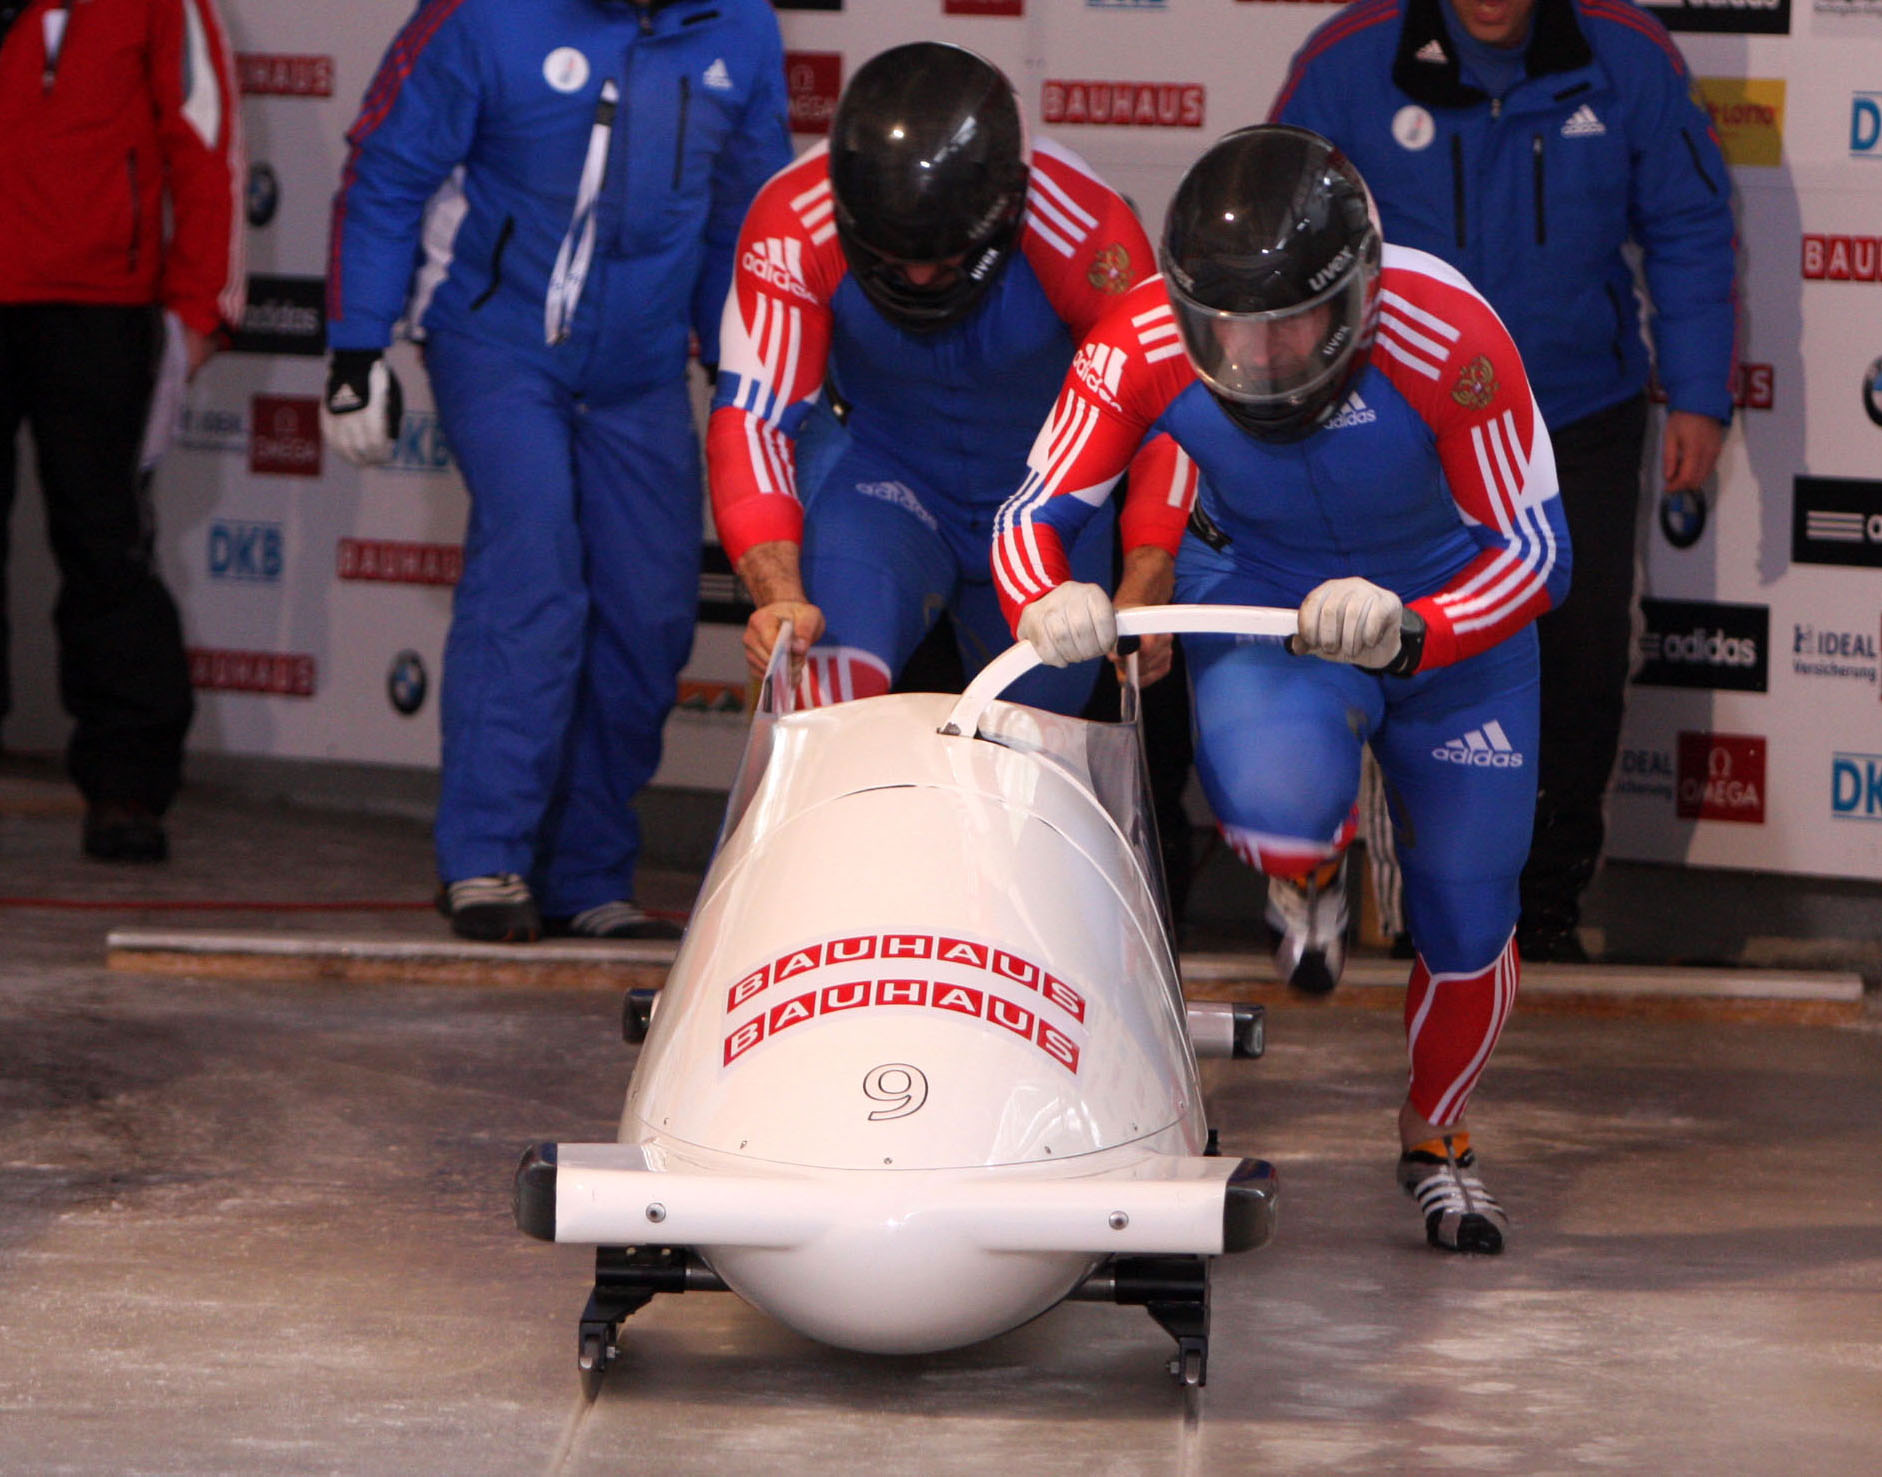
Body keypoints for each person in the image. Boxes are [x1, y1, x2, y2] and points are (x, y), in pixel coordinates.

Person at [995, 124, 1570, 1252]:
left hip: (1445, 606)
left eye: (1291, 324)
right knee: (1278, 797)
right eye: (1228, 328)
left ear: (1356, 299)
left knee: (1469, 901)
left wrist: (1419, 627)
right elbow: (1033, 511)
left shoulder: (1448, 337)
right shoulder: (1137, 343)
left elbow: (1537, 552)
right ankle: (1306, 868)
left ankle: (1438, 1135)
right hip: (1264, 594)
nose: (1257, 357)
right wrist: (1042, 597)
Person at [1271, 0, 1737, 963]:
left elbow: (1691, 226)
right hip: (1410, 430)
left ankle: (1548, 914)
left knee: (1580, 665)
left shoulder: (1628, 57)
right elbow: (1278, 239)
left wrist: (1700, 392)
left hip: (1577, 421)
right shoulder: (1347, 63)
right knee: (1407, 653)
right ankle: (1430, 918)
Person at [324, 0, 792, 942]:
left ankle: (585, 871)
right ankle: (486, 858)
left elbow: (744, 219)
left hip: (642, 367)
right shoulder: (483, 15)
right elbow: (387, 169)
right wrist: (356, 346)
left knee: (649, 609)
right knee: (531, 575)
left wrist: (737, 368)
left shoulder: (739, 26)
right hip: (495, 342)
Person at [708, 41, 1158, 716]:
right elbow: (754, 416)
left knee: (1034, 741)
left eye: (945, 259)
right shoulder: (795, 218)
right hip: (882, 486)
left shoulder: (1085, 224)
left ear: (1005, 209)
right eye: (892, 257)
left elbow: (1159, 416)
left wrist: (1148, 578)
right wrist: (779, 597)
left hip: (1046, 506)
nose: (918, 277)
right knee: (817, 695)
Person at [0, 0, 243, 863]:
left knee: (106, 544)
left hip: (102, 307)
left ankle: (127, 784)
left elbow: (203, 133)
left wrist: (201, 302)